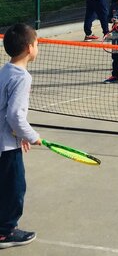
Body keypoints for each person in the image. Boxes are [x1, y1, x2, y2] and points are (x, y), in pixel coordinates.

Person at [0, 23, 41, 249]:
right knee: (14, 187)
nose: (37, 47)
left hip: (5, 138)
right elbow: (15, 115)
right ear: (29, 48)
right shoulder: (23, 77)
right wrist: (32, 135)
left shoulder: (5, 70)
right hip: (6, 146)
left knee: (5, 185)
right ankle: (6, 232)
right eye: (37, 44)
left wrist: (19, 133)